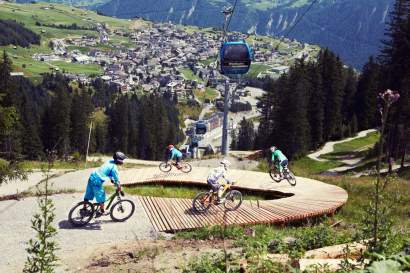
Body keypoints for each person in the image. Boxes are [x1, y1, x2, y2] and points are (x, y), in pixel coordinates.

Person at [83, 151, 127, 216]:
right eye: (122, 160)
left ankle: (84, 208)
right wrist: (120, 189)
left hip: (92, 176)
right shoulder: (114, 168)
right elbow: (117, 180)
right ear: (119, 160)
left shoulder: (109, 161)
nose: (123, 161)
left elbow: (106, 170)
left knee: (88, 193)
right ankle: (102, 211)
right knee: (101, 196)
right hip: (97, 180)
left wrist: (111, 179)